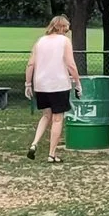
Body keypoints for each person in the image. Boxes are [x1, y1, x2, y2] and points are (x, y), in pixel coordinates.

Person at [23, 15, 81, 162]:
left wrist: (28, 83)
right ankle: (52, 154)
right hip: (58, 84)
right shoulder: (64, 42)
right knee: (57, 118)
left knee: (46, 115)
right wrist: (77, 83)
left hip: (41, 85)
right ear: (63, 27)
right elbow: (71, 65)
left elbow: (30, 64)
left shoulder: (40, 41)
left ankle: (34, 143)